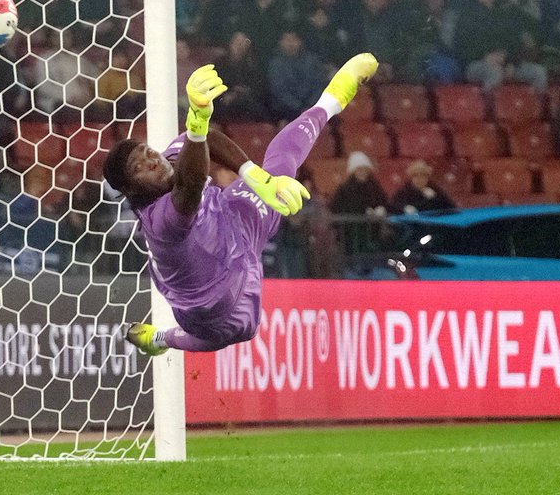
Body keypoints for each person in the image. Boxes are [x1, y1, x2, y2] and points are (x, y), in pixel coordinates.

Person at [110, 53, 379, 355]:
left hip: (233, 226)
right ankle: (160, 339)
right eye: (139, 167)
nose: (152, 160)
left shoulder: (168, 164)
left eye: (147, 151)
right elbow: (191, 184)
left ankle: (331, 99)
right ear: (133, 189)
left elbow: (205, 138)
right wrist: (197, 122)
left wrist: (256, 177)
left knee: (278, 168)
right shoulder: (162, 222)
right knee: (214, 337)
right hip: (219, 306)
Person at [266, 30, 329, 122]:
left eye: (294, 39)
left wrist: (310, 106)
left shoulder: (312, 60)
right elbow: (279, 91)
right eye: (287, 40)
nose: (290, 43)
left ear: (300, 42)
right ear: (280, 42)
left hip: (312, 106)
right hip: (286, 109)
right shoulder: (275, 64)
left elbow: (318, 85)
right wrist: (299, 107)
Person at [389, 159, 456, 214]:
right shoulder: (405, 190)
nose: (420, 179)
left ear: (427, 177)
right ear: (411, 178)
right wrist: (404, 208)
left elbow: (451, 206)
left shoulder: (434, 188)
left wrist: (435, 198)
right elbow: (392, 205)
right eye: (416, 175)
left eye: (423, 175)